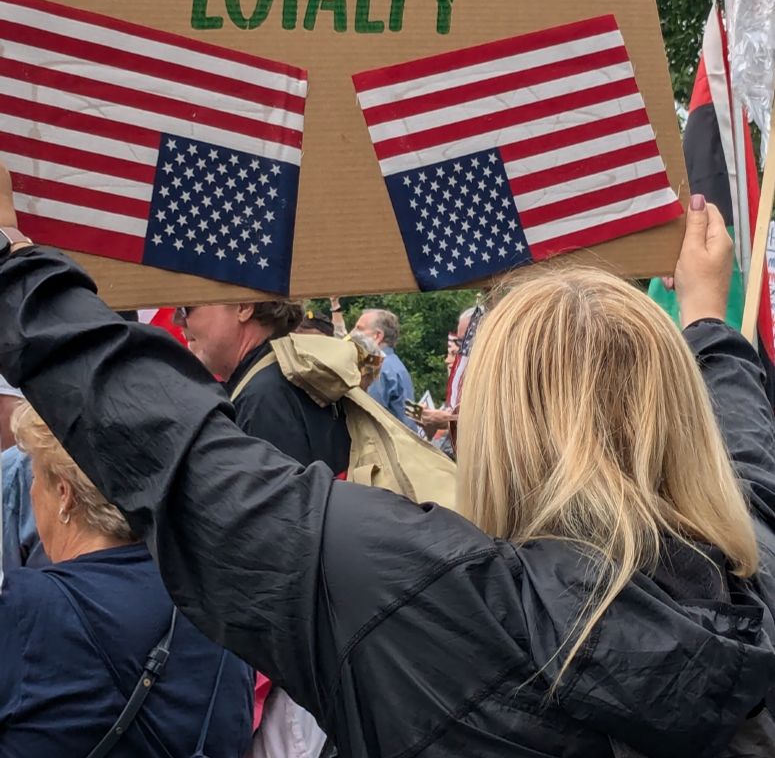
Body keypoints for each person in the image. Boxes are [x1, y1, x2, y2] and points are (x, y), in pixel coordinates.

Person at [1, 168, 774, 755]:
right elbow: (746, 462)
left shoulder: (433, 597)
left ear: (500, 425)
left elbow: (186, 457)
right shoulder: (753, 582)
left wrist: (17, 265)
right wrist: (704, 320)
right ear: (682, 416)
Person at [0, 400, 254, 757]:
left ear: (64, 494)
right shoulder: (221, 605)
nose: (29, 492)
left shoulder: (22, 611)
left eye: (36, 477)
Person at [174, 301, 350, 474]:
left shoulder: (263, 396)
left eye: (186, 308)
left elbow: (280, 500)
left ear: (243, 307)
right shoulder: (279, 376)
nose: (178, 320)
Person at [352, 308, 418, 431]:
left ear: (377, 336)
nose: (352, 334)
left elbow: (368, 414)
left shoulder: (376, 367)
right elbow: (409, 414)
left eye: (359, 329)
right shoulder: (397, 366)